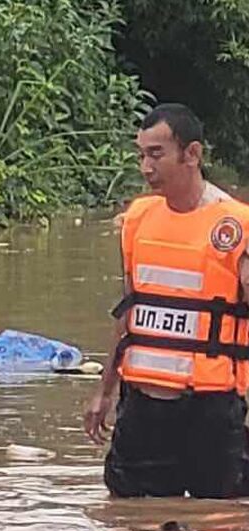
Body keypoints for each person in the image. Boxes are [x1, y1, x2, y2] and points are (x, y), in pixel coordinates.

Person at [83, 102, 249, 499]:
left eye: (156, 154)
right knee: (130, 526)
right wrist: (104, 392)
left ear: (192, 154)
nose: (145, 167)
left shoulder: (235, 226)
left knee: (218, 529)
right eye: (140, 154)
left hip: (210, 409)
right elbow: (128, 314)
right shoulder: (138, 220)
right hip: (143, 408)